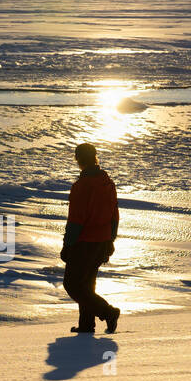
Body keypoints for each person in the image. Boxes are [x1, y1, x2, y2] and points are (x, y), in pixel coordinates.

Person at [60, 143, 120, 334]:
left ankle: (108, 312)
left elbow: (76, 220)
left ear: (78, 159)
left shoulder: (82, 186)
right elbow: (114, 215)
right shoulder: (107, 183)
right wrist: (110, 241)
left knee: (72, 284)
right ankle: (86, 325)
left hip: (84, 242)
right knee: (87, 284)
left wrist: (67, 245)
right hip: (102, 240)